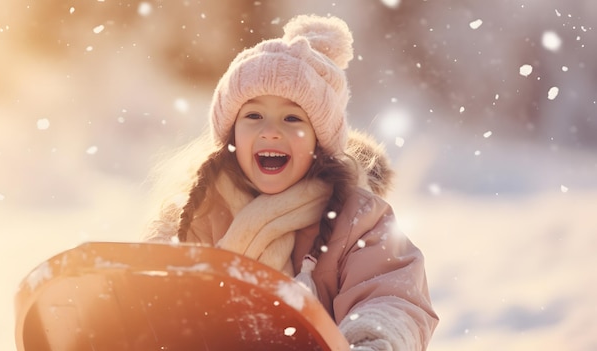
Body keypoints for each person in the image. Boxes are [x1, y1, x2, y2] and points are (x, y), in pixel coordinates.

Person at [144, 14, 438, 351]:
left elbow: (391, 296)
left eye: (292, 118)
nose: (271, 131)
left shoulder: (357, 220)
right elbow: (148, 291)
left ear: (319, 141)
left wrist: (373, 339)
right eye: (253, 115)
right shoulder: (192, 216)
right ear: (231, 136)